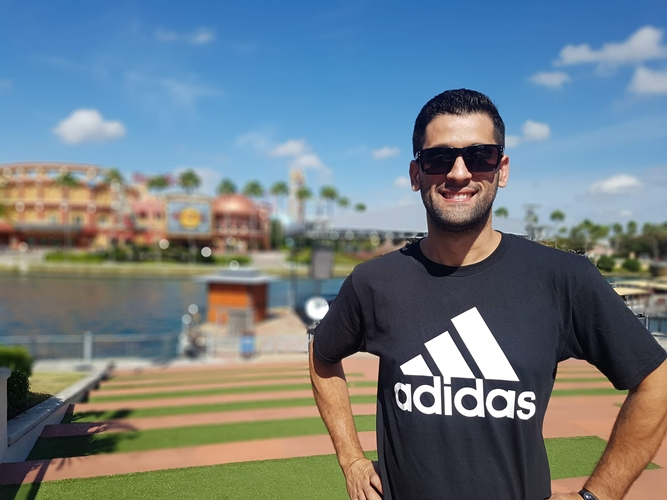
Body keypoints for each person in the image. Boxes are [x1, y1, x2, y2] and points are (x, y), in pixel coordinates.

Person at [309, 88, 667, 500]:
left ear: (502, 168)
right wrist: (352, 460)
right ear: (416, 174)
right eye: (439, 158)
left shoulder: (563, 278)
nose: (459, 173)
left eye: (480, 156)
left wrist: (598, 495)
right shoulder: (374, 281)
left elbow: (655, 379)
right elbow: (322, 354)